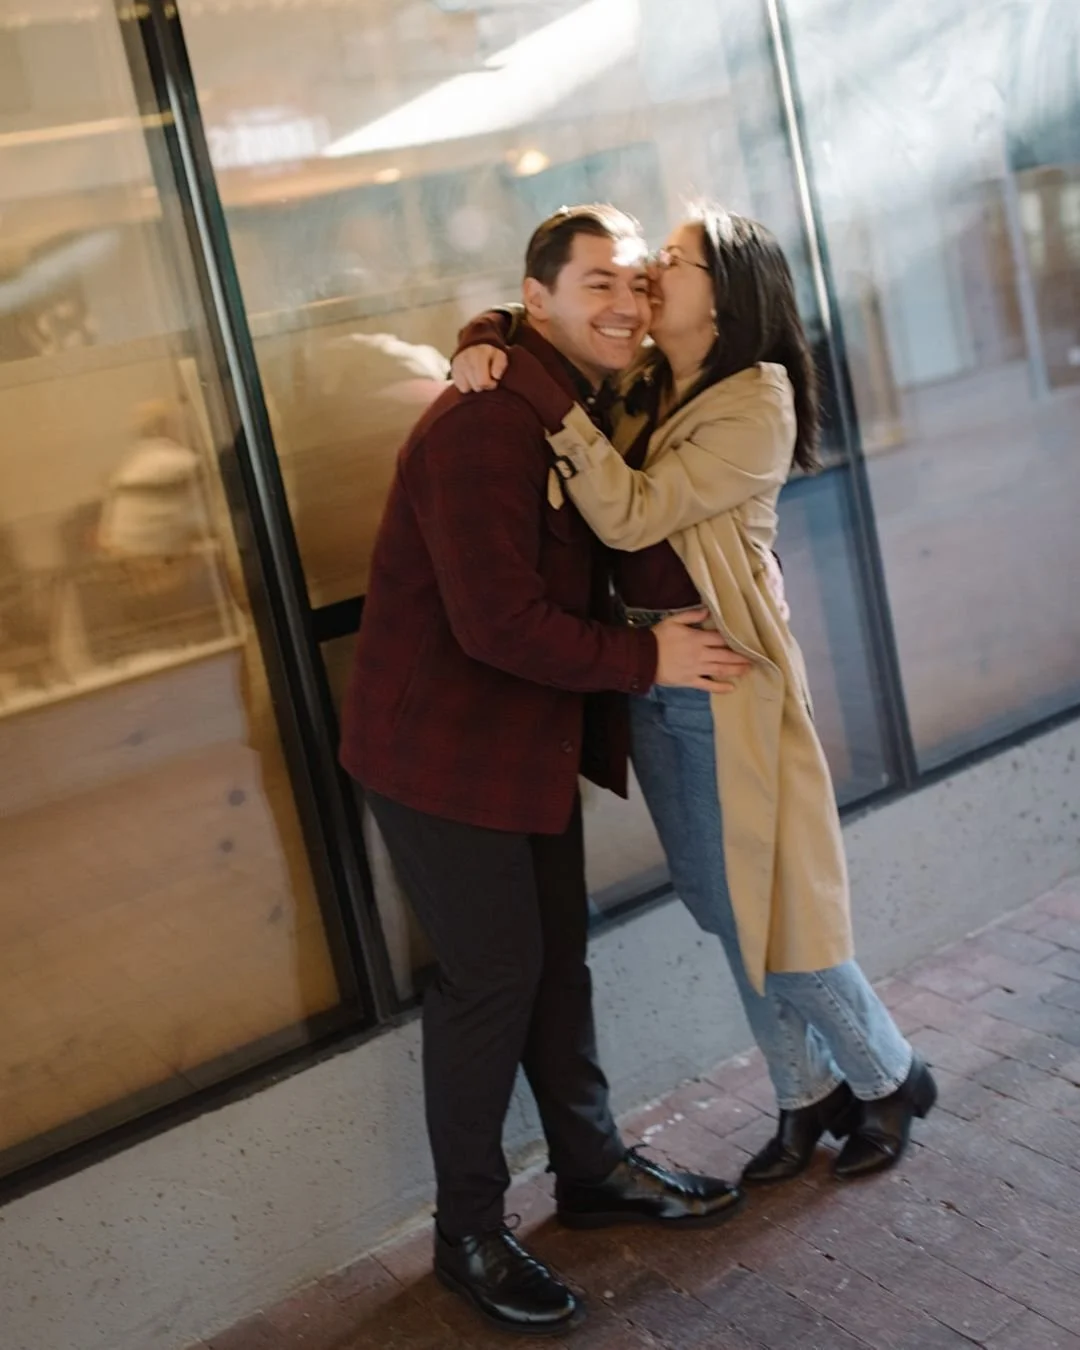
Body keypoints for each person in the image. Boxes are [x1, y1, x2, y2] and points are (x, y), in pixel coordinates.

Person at [451, 203, 938, 1193]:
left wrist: (543, 402)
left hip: (725, 678)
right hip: (651, 676)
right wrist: (484, 337)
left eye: (671, 263)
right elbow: (546, 317)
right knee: (722, 908)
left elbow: (630, 518)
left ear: (726, 291)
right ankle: (806, 1092)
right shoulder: (650, 377)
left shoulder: (754, 399)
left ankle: (889, 1073)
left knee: (762, 907)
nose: (648, 281)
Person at [339, 205, 747, 1340]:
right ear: (541, 301)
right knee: (494, 979)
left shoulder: (571, 398)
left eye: (636, 284)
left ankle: (593, 1169)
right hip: (440, 751)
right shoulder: (481, 425)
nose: (623, 303)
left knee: (554, 960)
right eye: (596, 285)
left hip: (526, 739)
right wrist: (647, 654)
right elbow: (494, 623)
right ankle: (466, 1234)